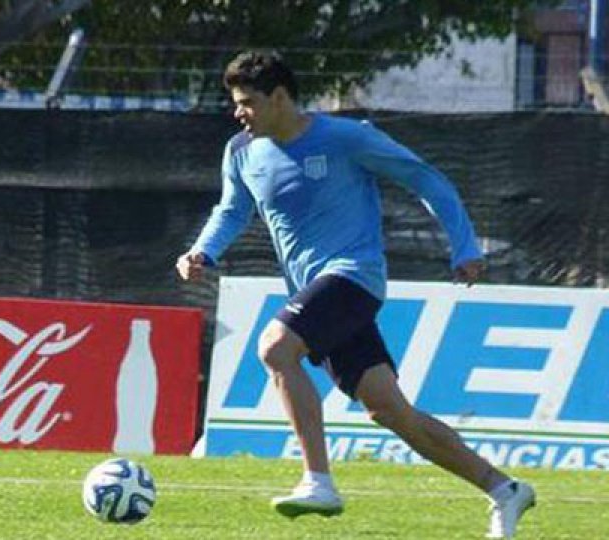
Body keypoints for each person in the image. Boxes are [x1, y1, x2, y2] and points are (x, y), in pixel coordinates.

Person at [175, 50, 535, 539]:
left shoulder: (345, 138)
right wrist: (202, 251)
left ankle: (318, 480)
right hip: (317, 292)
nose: (238, 112)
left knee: (276, 349)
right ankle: (503, 489)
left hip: (354, 277)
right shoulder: (241, 151)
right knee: (390, 411)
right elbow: (233, 209)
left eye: (247, 102)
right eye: (236, 103)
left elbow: (424, 177)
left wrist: (464, 243)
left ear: (280, 97)